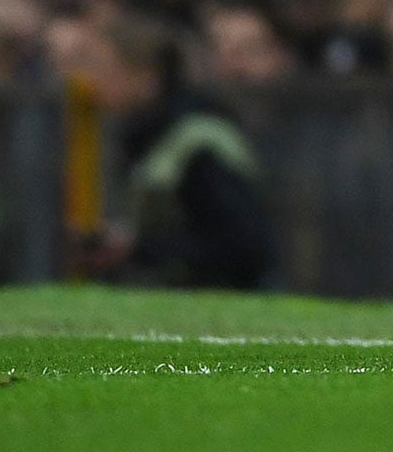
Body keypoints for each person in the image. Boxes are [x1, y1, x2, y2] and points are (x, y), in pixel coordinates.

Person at [75, 16, 273, 289]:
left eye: (105, 69)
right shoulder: (149, 135)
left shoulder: (197, 141)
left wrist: (139, 249)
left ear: (146, 77)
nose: (93, 82)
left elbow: (243, 246)